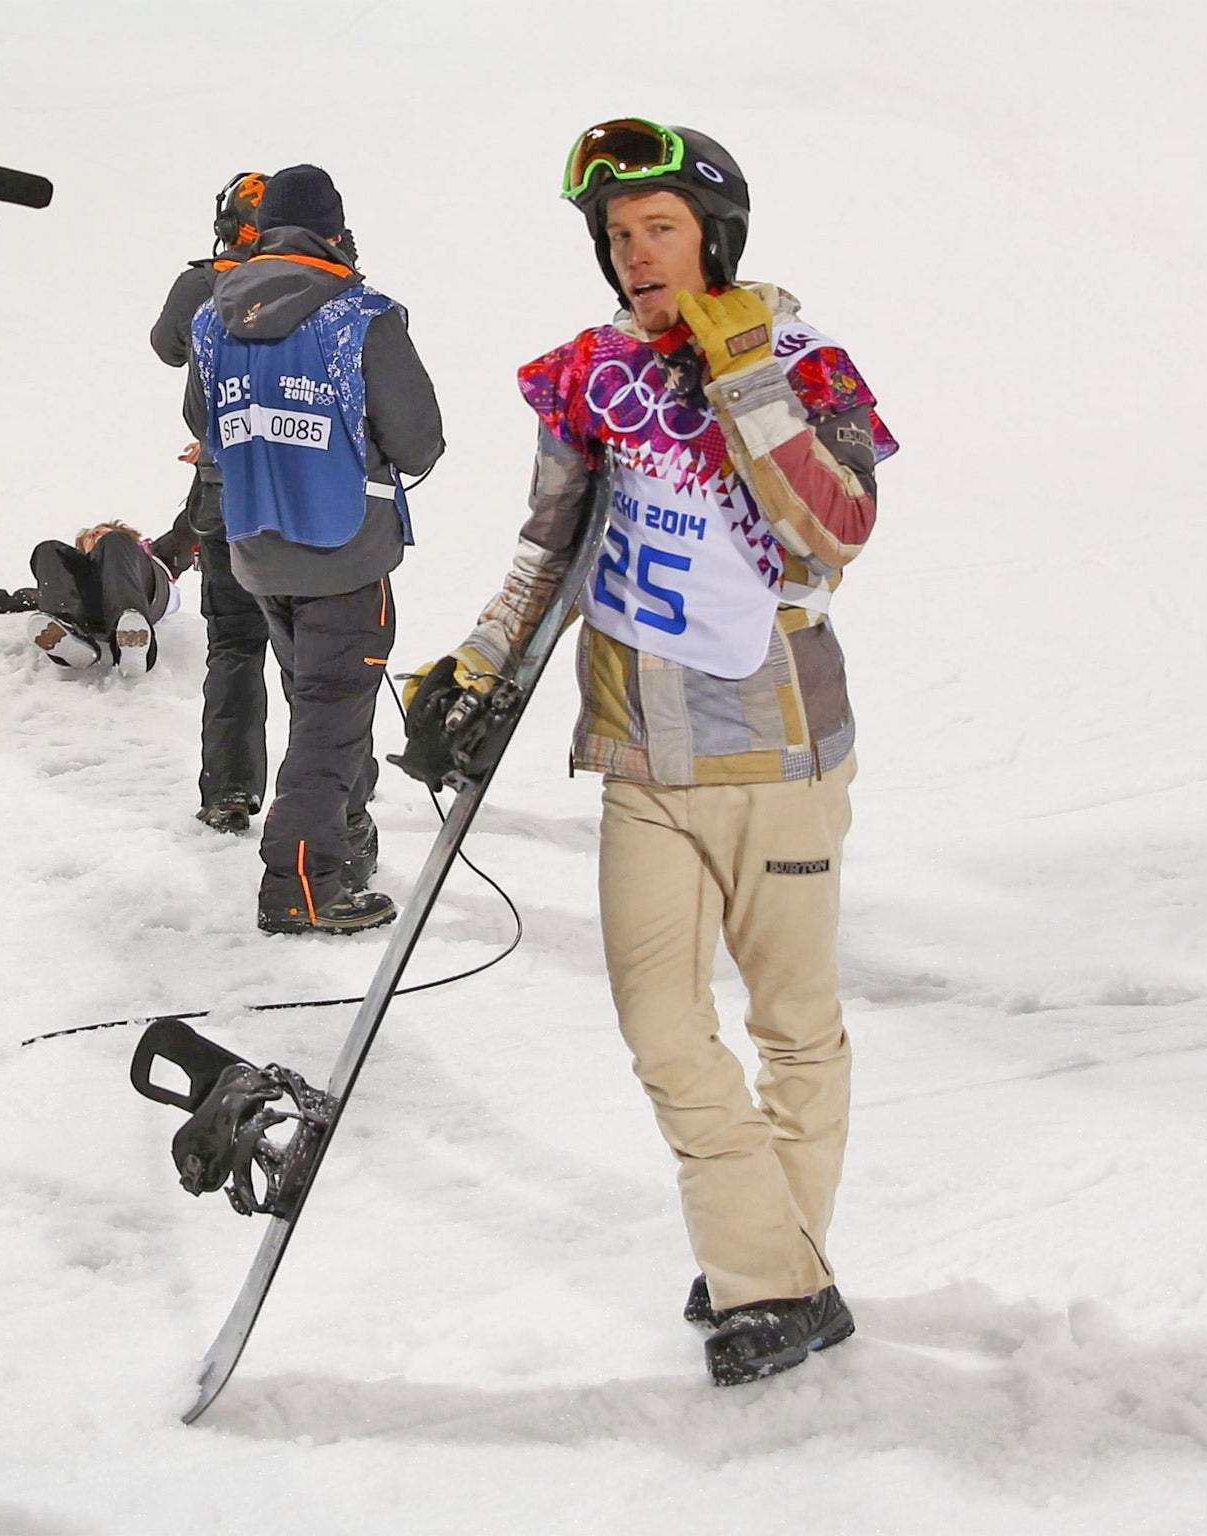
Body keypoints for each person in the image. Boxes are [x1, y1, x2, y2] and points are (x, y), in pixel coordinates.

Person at [400, 119, 896, 1385]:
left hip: (778, 759)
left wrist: (742, 383)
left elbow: (833, 531)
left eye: (657, 228)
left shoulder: (799, 360)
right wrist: (475, 666)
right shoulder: (592, 376)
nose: (632, 254)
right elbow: (546, 547)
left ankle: (768, 1269)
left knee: (791, 1027)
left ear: (712, 233)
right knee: (662, 1031)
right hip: (637, 762)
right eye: (616, 236)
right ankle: (772, 1264)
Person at [188, 164, 444, 934]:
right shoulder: (359, 316)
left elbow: (204, 421)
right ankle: (302, 883)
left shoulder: (212, 318)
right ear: (336, 230)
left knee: (321, 703)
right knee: (330, 717)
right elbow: (418, 440)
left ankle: (346, 834)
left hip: (256, 542)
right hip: (344, 547)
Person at [151, 173, 274, 834]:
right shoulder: (325, 291)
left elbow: (166, 345)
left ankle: (228, 790)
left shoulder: (204, 284)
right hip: (305, 498)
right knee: (318, 660)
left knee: (234, 644)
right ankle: (336, 798)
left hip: (224, 490)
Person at [0, 519, 188, 672]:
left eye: (100, 531)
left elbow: (190, 525)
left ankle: (132, 636)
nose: (95, 534)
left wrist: (206, 465)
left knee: (114, 544)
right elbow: (6, 601)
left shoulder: (156, 553)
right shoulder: (73, 582)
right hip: (93, 613)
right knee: (49, 549)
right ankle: (69, 633)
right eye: (89, 537)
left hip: (141, 597)